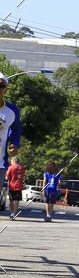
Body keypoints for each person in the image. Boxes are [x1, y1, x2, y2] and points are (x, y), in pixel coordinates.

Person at [0, 73, 22, 203]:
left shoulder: (12, 111)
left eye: (1, 85)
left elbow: (16, 129)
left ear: (5, 89)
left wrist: (14, 144)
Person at [6, 155, 25, 221]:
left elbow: (7, 177)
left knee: (11, 200)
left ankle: (11, 213)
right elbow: (23, 177)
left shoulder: (10, 167)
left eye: (11, 161)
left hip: (11, 186)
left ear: (13, 161)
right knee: (16, 201)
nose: (10, 162)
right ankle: (13, 214)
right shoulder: (22, 168)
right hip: (19, 186)